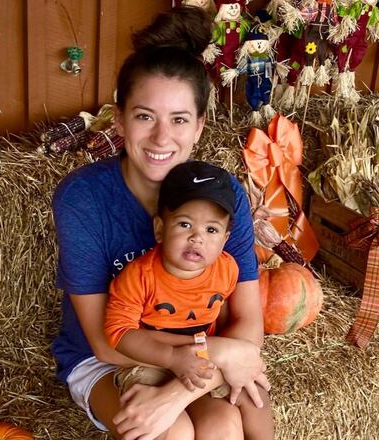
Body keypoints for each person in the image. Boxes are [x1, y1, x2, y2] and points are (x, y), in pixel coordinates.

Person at [52, 6, 270, 440]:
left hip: (199, 351)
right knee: (171, 434)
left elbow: (249, 322)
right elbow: (104, 341)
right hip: (108, 356)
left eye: (179, 119)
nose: (161, 138)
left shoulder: (222, 194)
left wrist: (179, 394)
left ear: (200, 127)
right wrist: (222, 355)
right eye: (144, 116)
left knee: (225, 424)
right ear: (119, 118)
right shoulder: (83, 199)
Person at [104, 161, 274, 440]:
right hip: (152, 362)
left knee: (254, 392)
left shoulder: (227, 268)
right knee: (165, 431)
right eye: (185, 224)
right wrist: (172, 357)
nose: (197, 238)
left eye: (211, 230)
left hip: (204, 358)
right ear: (160, 229)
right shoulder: (138, 276)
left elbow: (220, 314)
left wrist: (222, 357)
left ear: (225, 240)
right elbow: (120, 333)